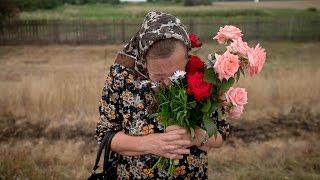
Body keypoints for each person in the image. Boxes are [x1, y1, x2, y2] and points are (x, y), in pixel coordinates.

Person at [94, 11, 231, 179]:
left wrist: (196, 136)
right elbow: (104, 135)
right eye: (158, 76)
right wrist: (149, 144)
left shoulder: (201, 74)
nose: (167, 83)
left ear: (187, 57)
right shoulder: (121, 76)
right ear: (143, 61)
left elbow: (221, 135)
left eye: (176, 74)